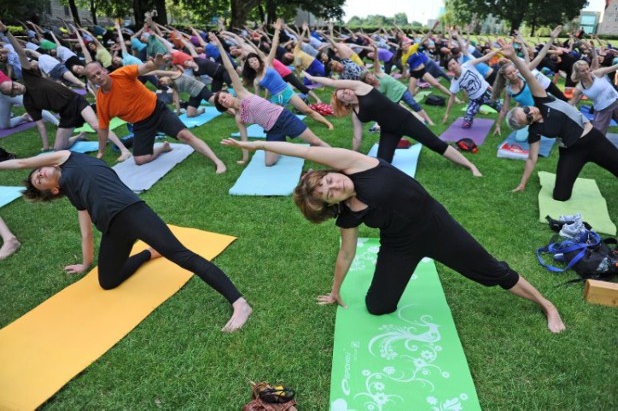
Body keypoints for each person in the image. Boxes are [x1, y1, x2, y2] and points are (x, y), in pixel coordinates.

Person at [221, 139, 565, 333]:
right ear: (331, 206)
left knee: (492, 271)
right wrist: (335, 291)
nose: (333, 186)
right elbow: (345, 255)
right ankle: (396, 278)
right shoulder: (349, 215)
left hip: (436, 226)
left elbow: (304, 151)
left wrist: (250, 143)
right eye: (327, 194)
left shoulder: (355, 164)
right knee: (377, 306)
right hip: (400, 244)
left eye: (327, 181)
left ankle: (547, 306)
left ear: (330, 173)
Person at [0, 151, 252, 332]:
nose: (40, 174)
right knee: (107, 281)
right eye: (39, 181)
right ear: (53, 190)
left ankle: (239, 303)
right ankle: (148, 254)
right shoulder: (75, 195)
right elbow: (86, 232)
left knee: (181, 255)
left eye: (38, 172)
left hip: (133, 213)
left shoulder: (68, 158)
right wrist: (86, 264)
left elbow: (22, 162)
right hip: (113, 231)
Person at [500, 38, 618, 200]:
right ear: (528, 124)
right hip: (571, 151)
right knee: (560, 196)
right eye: (528, 117)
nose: (531, 112)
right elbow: (532, 158)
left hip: (593, 140)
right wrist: (522, 184)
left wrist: (514, 58)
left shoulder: (542, 100)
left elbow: (529, 77)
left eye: (526, 109)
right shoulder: (535, 130)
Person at [307, 74, 482, 176]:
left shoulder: (361, 87)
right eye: (342, 97)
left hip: (405, 121)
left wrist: (310, 77)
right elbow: (357, 136)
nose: (346, 93)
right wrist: (353, 156)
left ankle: (471, 166)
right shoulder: (355, 113)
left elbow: (332, 82)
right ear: (344, 103)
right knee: (382, 164)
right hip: (389, 130)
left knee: (436, 144)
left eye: (344, 91)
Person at [0, 29, 131, 159]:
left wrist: (6, 32)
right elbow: (40, 125)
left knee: (96, 125)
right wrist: (46, 147)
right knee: (58, 148)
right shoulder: (28, 102)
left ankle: (124, 149)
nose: (15, 87)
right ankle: (80, 136)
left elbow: (21, 53)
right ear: (11, 95)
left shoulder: (29, 77)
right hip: (65, 114)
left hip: (76, 101)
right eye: (12, 90)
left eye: (13, 84)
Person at [83, 56, 226, 173]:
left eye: (98, 72)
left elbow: (144, 68)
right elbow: (103, 128)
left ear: (104, 70)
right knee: (140, 160)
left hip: (158, 111)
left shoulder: (122, 73)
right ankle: (163, 147)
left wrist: (155, 63)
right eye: (93, 77)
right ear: (91, 81)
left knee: (185, 136)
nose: (98, 77)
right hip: (140, 124)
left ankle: (217, 161)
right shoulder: (102, 101)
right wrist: (100, 153)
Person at [209, 34, 330, 166]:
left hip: (283, 117)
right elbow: (244, 139)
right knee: (269, 163)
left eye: (224, 97)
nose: (224, 101)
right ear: (224, 107)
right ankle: (282, 143)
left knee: (315, 142)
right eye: (222, 102)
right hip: (272, 130)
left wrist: (220, 46)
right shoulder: (239, 117)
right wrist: (245, 158)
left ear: (229, 94)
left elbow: (230, 68)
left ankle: (338, 156)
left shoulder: (241, 93)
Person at [569, 54, 618, 135]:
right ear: (577, 73)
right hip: (602, 110)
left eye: (587, 69)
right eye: (582, 71)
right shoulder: (579, 88)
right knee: (598, 135)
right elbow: (572, 103)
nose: (586, 72)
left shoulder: (597, 73)